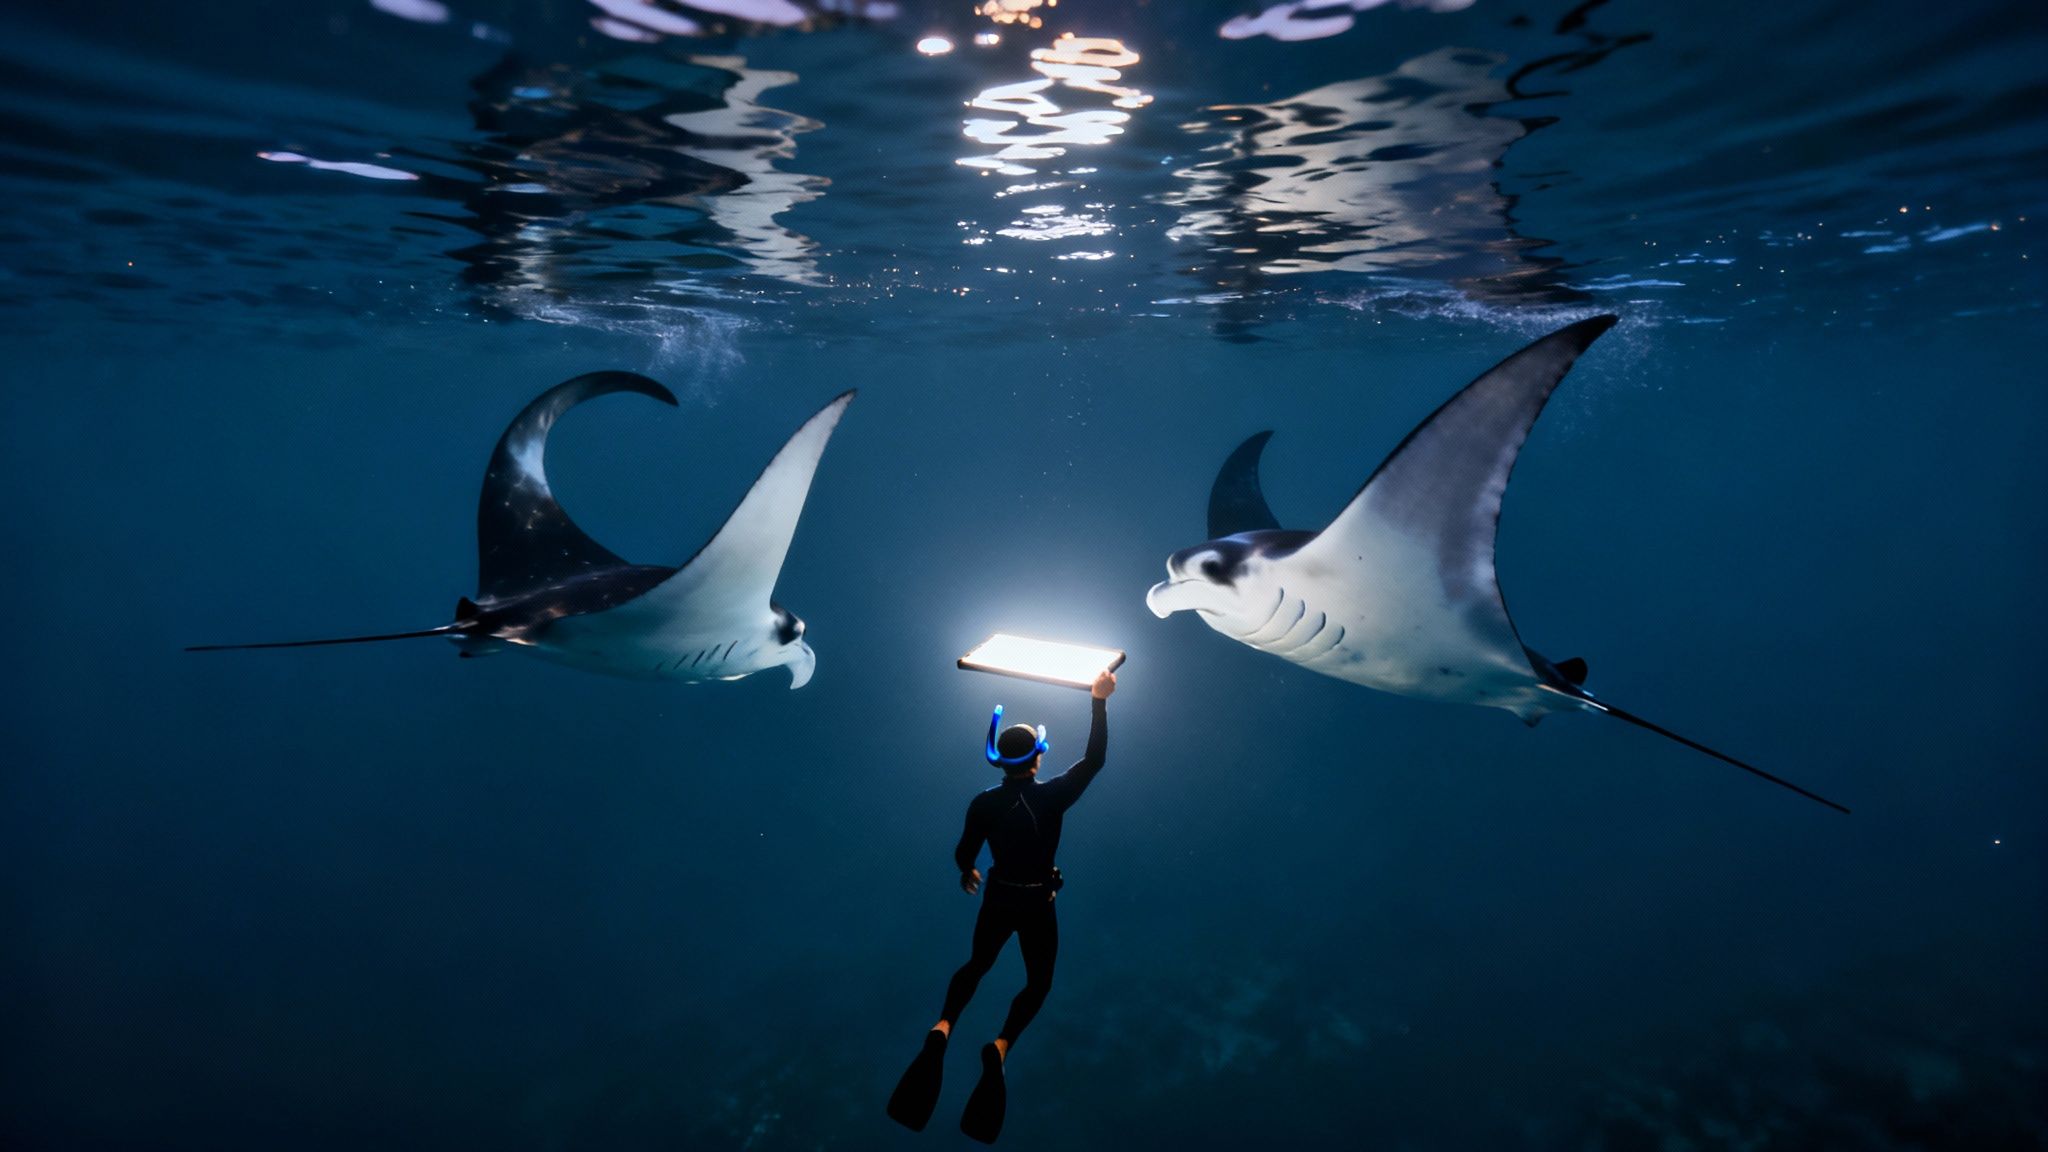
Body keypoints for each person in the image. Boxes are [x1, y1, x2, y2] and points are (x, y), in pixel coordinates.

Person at [886, 668, 1117, 1143]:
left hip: (998, 896)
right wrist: (1099, 699)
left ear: (999, 758)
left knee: (976, 965)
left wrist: (967, 871)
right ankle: (1000, 1045)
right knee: (1038, 982)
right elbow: (1094, 760)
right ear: (1038, 757)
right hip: (1037, 902)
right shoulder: (1052, 796)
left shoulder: (984, 802)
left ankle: (943, 1027)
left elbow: (963, 851)